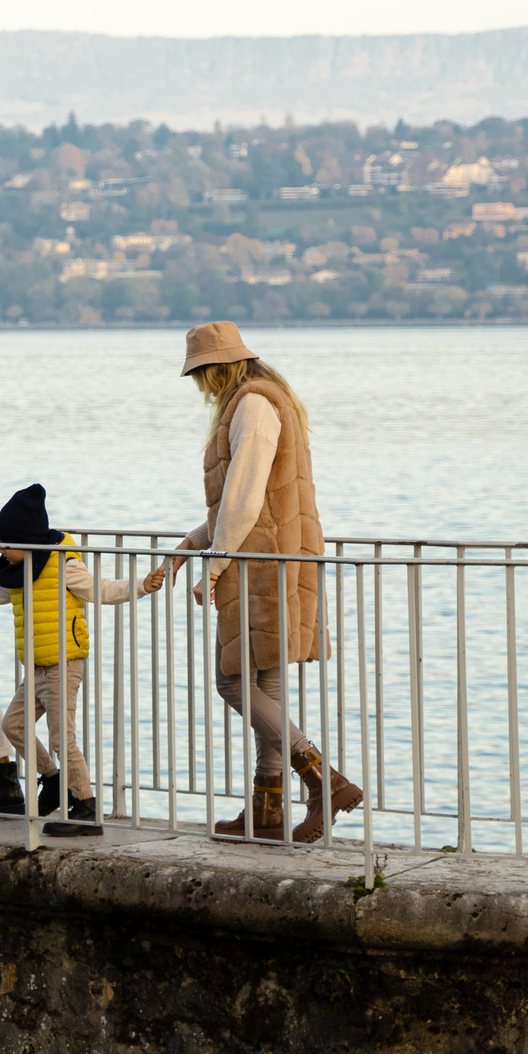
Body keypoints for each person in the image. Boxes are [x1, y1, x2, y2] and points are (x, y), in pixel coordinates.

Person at [163, 321, 361, 844]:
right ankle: (268, 810)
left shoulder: (250, 407)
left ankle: (322, 776)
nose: (201, 387)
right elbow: (246, 500)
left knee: (232, 681)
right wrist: (192, 543)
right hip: (279, 561)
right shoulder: (271, 400)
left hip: (259, 567)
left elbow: (244, 500)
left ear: (216, 368)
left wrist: (214, 564)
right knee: (265, 682)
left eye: (201, 375)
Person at [0, 483, 165, 834]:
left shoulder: (63, 565)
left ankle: (87, 805)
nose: (2, 550)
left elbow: (101, 589)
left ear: (28, 541)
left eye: (8, 544)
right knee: (11, 726)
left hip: (63, 667)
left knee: (63, 738)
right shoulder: (16, 569)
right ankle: (53, 778)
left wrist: (140, 585)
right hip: (35, 669)